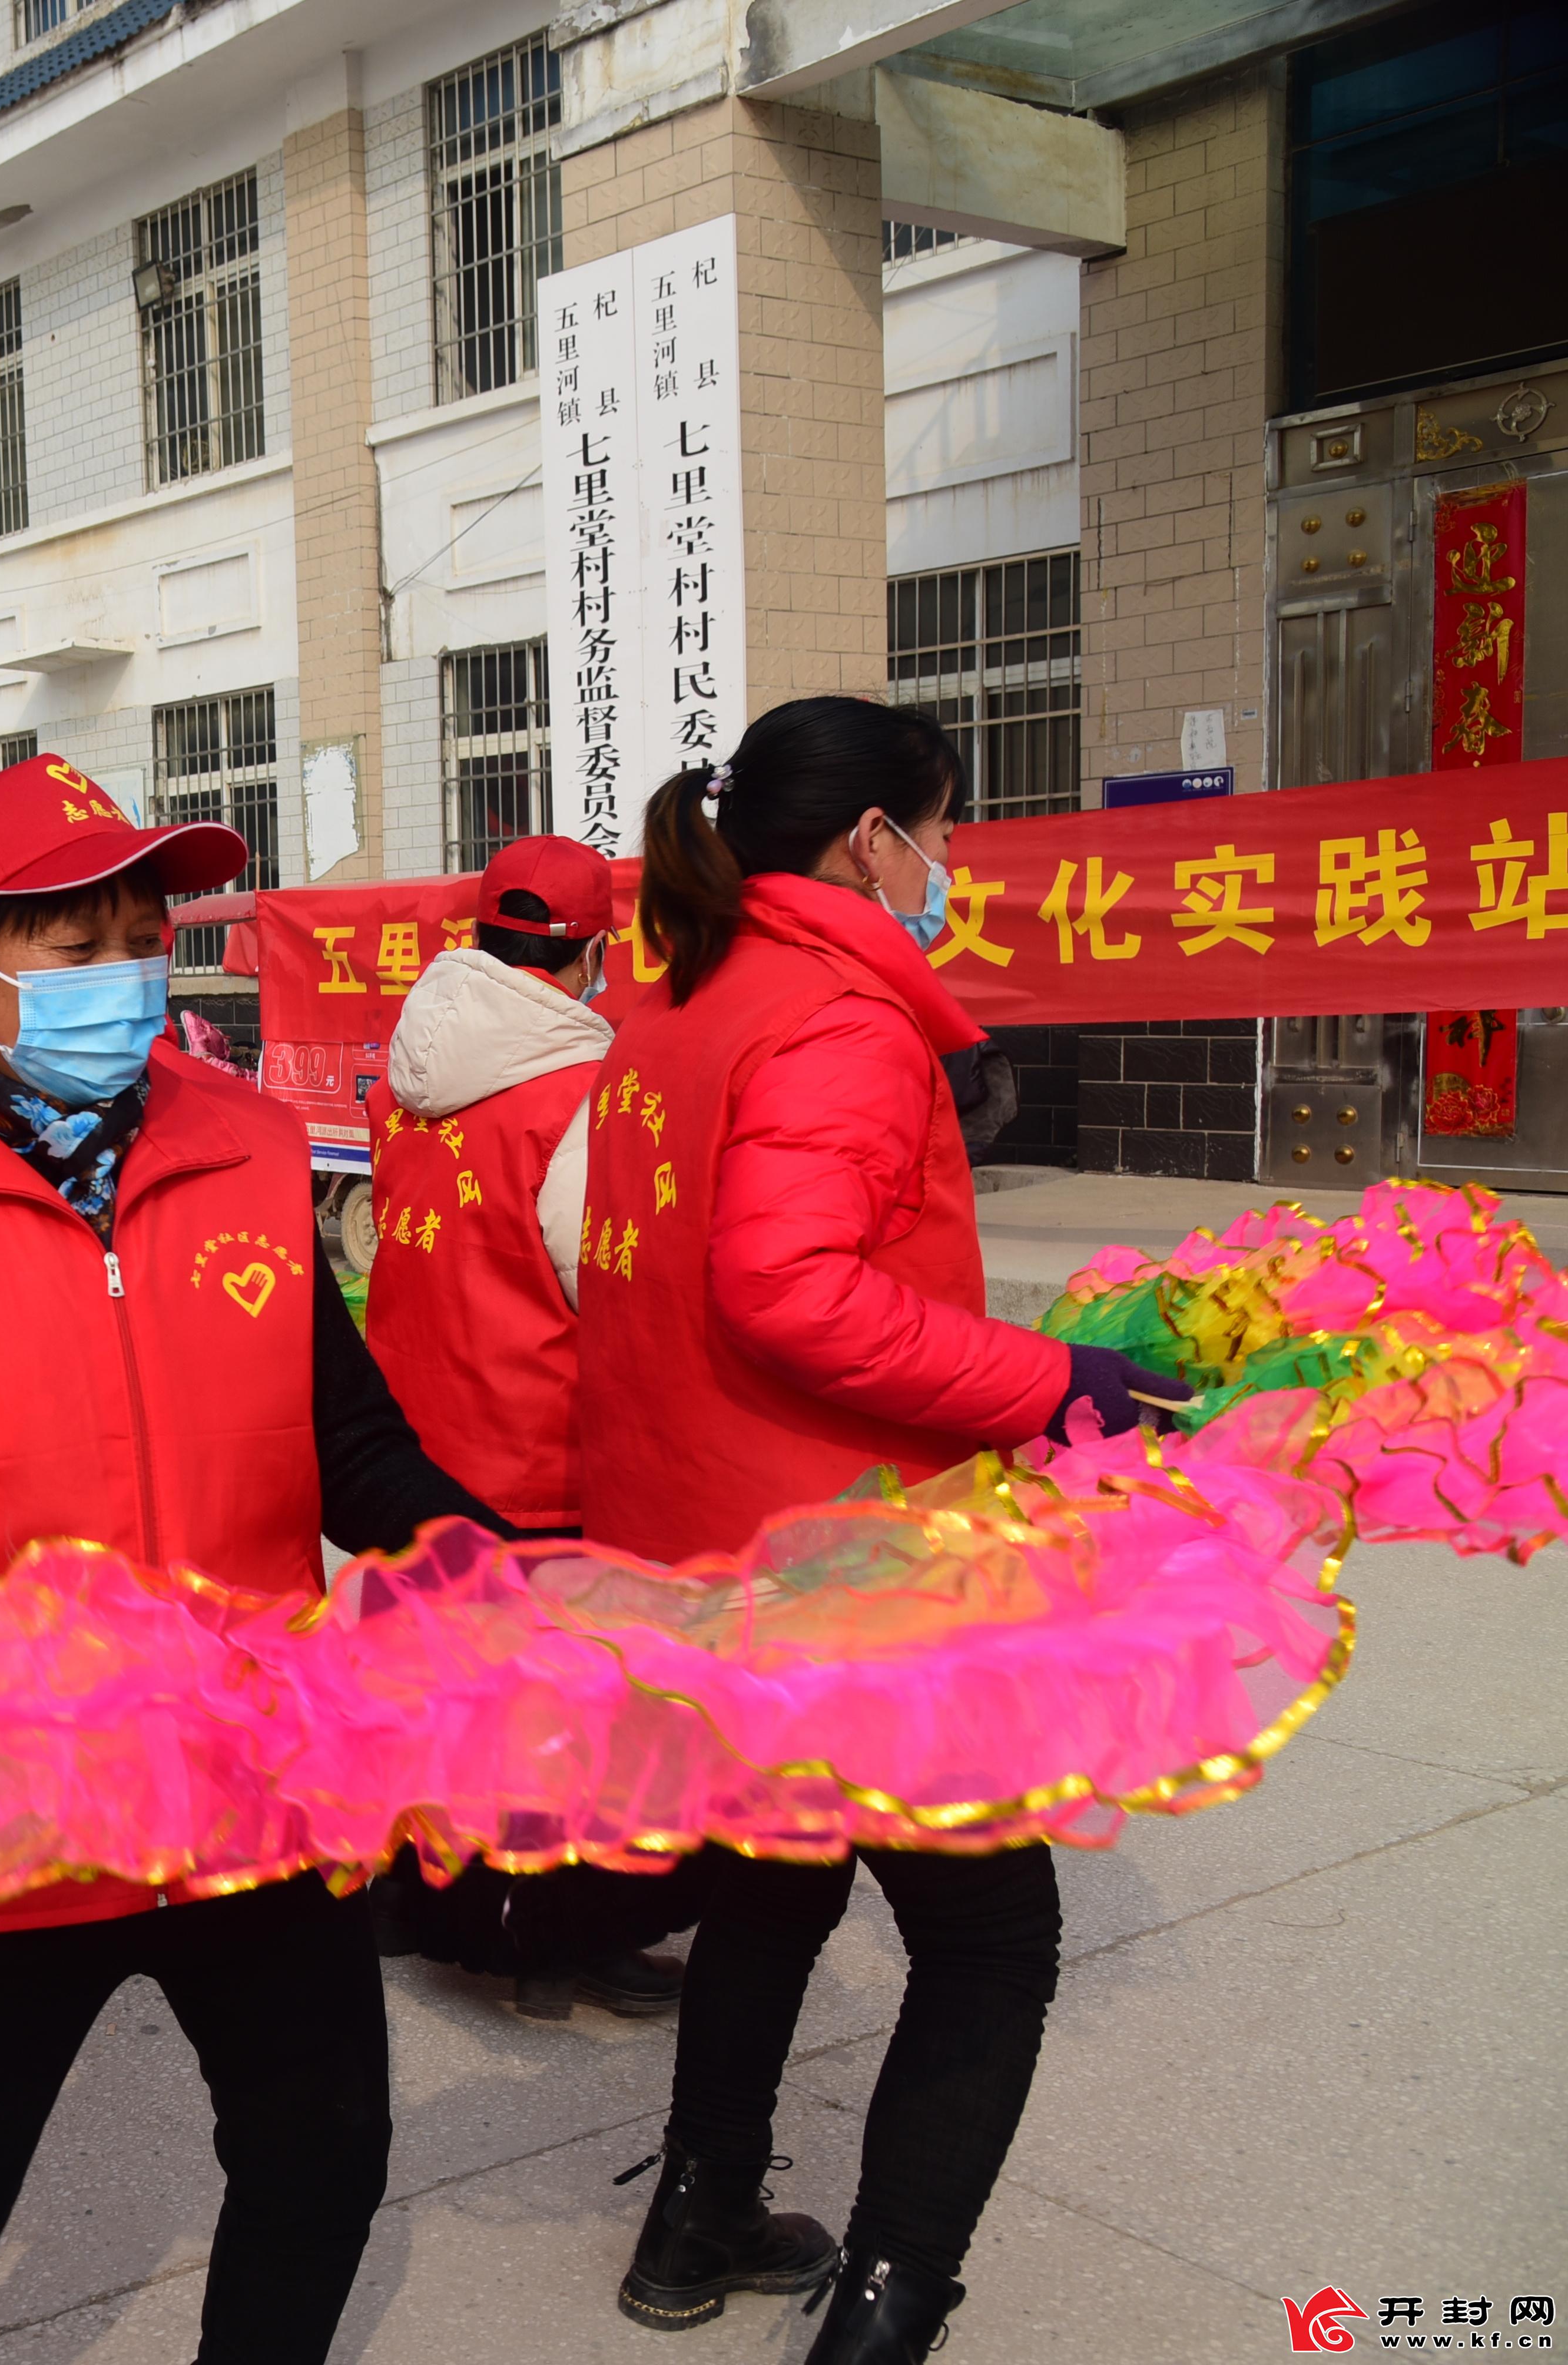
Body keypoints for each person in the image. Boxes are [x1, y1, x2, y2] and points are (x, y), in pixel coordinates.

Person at [0, 754, 504, 2365]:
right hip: (0, 1808)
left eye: (146, 934)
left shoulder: (248, 1149)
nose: (126, 978)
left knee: (319, 2158)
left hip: (255, 1779)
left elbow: (345, 1434)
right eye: (76, 948)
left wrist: (481, 1563)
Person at [578, 698, 1181, 2363]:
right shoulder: (838, 1017)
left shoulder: (682, 999)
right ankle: (892, 2311)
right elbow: (786, 1288)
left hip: (707, 1542)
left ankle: (697, 2212)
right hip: (840, 1558)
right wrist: (1053, 1377)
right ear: (871, 840)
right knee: (994, 1937)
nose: (947, 867)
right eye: (941, 827)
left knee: (774, 1878)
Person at [360, 833, 689, 2021]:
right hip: (527, 1448)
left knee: (427, 1690)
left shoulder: (404, 1072)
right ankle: (544, 1938)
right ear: (594, 952)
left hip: (398, 1441)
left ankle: (405, 1894)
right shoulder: (581, 1093)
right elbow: (594, 1280)